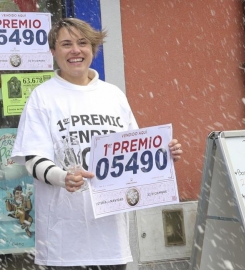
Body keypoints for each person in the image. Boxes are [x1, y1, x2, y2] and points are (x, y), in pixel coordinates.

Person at [10, 18, 183, 270]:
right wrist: (63, 177)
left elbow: (134, 156)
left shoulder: (113, 95)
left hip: (111, 240)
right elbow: (33, 160)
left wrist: (163, 155)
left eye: (83, 43)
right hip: (64, 243)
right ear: (53, 52)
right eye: (66, 44)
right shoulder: (42, 97)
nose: (76, 50)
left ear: (93, 48)